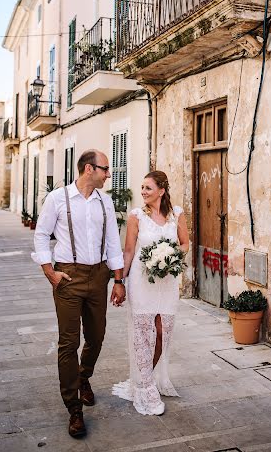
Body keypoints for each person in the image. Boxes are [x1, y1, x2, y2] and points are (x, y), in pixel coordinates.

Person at [33, 149, 125, 438]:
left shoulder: (105, 202)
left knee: (96, 336)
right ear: (89, 169)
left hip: (98, 275)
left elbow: (112, 240)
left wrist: (118, 280)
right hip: (68, 277)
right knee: (68, 342)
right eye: (105, 169)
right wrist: (50, 271)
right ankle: (74, 409)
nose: (109, 174)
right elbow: (40, 234)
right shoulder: (57, 199)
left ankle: (83, 377)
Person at [112, 170, 189, 415]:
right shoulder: (136, 216)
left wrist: (171, 256)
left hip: (167, 282)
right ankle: (145, 387)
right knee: (144, 332)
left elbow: (185, 242)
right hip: (141, 281)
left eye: (148, 188)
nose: (143, 192)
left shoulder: (176, 214)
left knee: (162, 332)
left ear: (162, 190)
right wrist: (119, 281)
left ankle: (147, 378)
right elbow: (128, 252)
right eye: (142, 187)